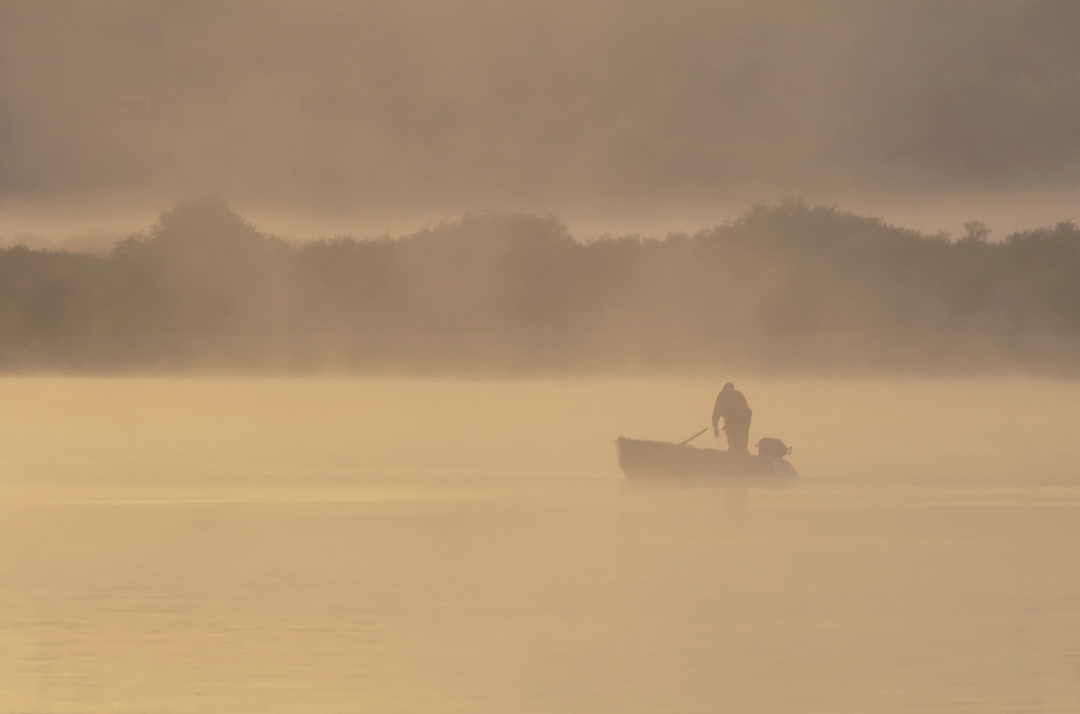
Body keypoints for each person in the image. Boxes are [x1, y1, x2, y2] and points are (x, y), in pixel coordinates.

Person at [712, 382, 752, 454]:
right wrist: (715, 425)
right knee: (738, 439)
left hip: (743, 419)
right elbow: (717, 412)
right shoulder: (737, 394)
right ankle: (738, 452)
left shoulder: (723, 395)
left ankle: (738, 453)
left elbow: (717, 412)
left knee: (739, 439)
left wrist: (716, 427)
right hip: (741, 419)